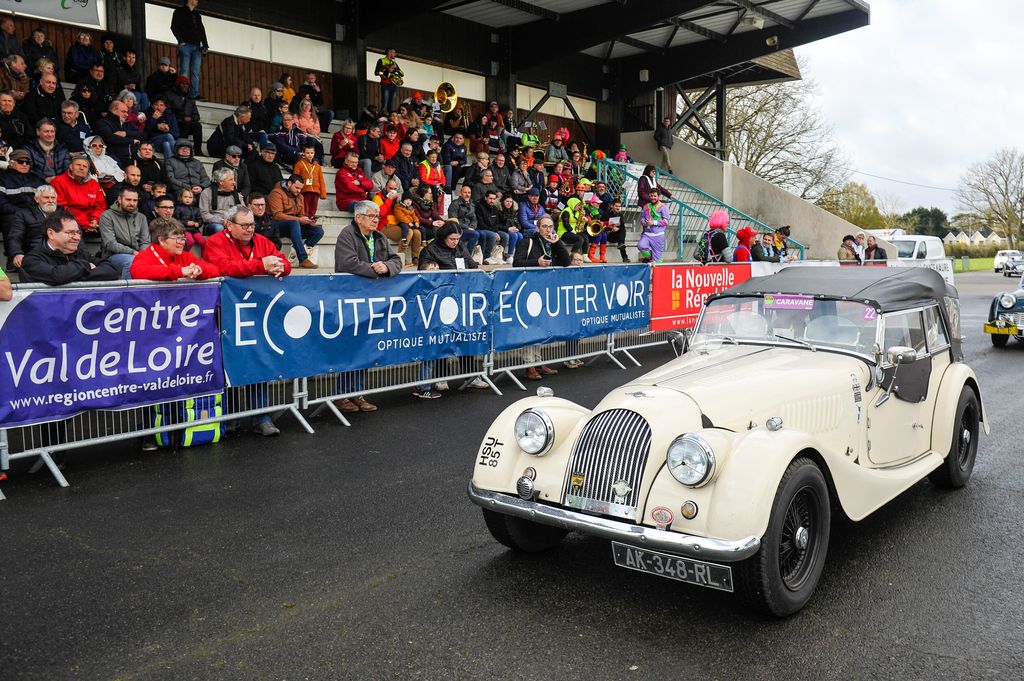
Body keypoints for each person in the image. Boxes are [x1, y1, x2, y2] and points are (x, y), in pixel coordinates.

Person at [204, 204, 289, 436]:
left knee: (257, 361)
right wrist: (261, 265)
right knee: (229, 364)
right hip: (226, 312)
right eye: (244, 225)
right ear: (229, 225)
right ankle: (230, 418)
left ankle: (261, 417)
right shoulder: (215, 242)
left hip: (256, 312)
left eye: (252, 225)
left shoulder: (262, 241)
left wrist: (279, 266)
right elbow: (222, 267)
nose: (250, 229)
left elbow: (285, 263)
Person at [332, 200, 404, 412]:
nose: (376, 220)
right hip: (350, 299)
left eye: (377, 217)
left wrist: (387, 267)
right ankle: (341, 395)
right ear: (358, 218)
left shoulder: (379, 236)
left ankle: (358, 393)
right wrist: (375, 270)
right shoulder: (347, 234)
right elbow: (347, 263)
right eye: (372, 216)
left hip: (371, 300)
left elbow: (396, 260)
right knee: (350, 348)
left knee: (364, 347)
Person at [513, 215, 569, 380]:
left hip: (546, 290)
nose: (548, 230)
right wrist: (536, 262)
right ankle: (528, 365)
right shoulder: (527, 242)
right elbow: (516, 263)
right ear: (537, 228)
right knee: (530, 328)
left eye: (550, 226)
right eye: (544, 226)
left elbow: (566, 261)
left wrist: (557, 243)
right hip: (529, 290)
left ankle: (538, 362)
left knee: (541, 327)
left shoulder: (553, 243)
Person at [20, 210, 119, 285]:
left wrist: (71, 275)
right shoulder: (32, 259)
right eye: (70, 233)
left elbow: (111, 271)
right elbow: (57, 276)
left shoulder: (81, 254)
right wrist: (86, 266)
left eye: (78, 233)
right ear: (51, 234)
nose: (77, 238)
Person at [130, 216, 219, 280]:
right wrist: (179, 271)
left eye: (184, 238)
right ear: (162, 240)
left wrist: (200, 270)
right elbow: (137, 272)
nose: (183, 242)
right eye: (178, 239)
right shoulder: (145, 256)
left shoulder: (186, 256)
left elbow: (215, 270)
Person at [269, 174, 322, 268]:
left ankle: (297, 250)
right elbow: (277, 215)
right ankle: (303, 259)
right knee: (294, 223)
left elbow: (301, 215)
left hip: (294, 227)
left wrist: (308, 221)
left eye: (301, 188)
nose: (299, 191)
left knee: (318, 231)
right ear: (289, 183)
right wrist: (299, 219)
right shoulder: (276, 193)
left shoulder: (300, 196)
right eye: (297, 188)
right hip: (277, 226)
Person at [99, 186, 149, 278]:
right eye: (128, 200)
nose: (132, 203)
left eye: (135, 200)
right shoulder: (107, 216)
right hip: (113, 255)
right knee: (131, 261)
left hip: (138, 254)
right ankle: (129, 288)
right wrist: (133, 252)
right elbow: (110, 244)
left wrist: (142, 254)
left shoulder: (141, 217)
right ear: (119, 199)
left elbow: (145, 241)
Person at [7, 185, 58, 270]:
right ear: (36, 199)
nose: (50, 201)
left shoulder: (63, 213)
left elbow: (75, 234)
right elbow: (15, 236)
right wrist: (17, 253)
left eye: (53, 198)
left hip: (60, 254)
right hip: (34, 254)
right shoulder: (23, 214)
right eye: (46, 197)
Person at [49, 156, 105, 233]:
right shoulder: (58, 181)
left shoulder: (94, 184)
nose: (81, 168)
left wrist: (95, 219)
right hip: (67, 222)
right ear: (71, 167)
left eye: (85, 166)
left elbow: (100, 206)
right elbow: (61, 207)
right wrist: (84, 224)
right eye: (78, 165)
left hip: (92, 223)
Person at [449, 183, 497, 264]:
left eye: (469, 192)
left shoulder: (472, 204)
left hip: (471, 228)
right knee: (475, 234)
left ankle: (481, 257)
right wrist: (467, 228)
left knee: (486, 234)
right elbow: (453, 219)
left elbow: (474, 219)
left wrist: (472, 227)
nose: (467, 194)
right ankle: (467, 257)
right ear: (460, 193)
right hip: (458, 229)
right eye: (465, 192)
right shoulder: (454, 204)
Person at [171, 0, 208, 99]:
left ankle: (195, 93)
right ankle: (183, 92)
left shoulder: (197, 15)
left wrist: (205, 44)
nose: (197, 1)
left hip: (197, 46)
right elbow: (174, 27)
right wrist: (181, 40)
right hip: (186, 45)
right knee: (185, 70)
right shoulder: (179, 11)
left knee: (195, 71)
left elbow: (202, 30)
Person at [93, 99, 143, 168]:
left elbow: (142, 135)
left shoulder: (127, 123)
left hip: (131, 157)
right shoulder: (102, 122)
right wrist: (131, 141)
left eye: (127, 112)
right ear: (114, 111)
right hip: (112, 158)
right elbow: (109, 137)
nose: (126, 114)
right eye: (123, 112)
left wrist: (126, 133)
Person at [476, 189, 517, 264]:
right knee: (493, 236)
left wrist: (495, 231)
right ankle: (487, 257)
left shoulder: (494, 208)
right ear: (486, 198)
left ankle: (499, 255)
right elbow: (481, 223)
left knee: (505, 236)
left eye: (494, 199)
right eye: (490, 198)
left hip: (493, 230)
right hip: (482, 229)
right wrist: (494, 232)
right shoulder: (479, 207)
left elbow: (496, 223)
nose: (492, 201)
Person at [198, 167, 242, 234]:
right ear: (221, 182)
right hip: (213, 224)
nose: (234, 182)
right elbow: (204, 214)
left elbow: (243, 212)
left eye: (234, 179)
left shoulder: (237, 195)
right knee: (219, 228)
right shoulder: (207, 193)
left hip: (233, 223)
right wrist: (222, 221)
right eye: (231, 180)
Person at [25, 118, 70, 182]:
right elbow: (28, 170)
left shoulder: (62, 149)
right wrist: (44, 178)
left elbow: (68, 169)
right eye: (46, 131)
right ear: (38, 132)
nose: (50, 135)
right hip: (37, 183)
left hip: (60, 182)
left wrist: (58, 179)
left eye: (52, 131)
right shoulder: (29, 148)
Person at [165, 75, 202, 152]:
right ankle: (182, 148)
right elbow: (168, 111)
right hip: (176, 122)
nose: (185, 86)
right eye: (183, 84)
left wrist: (191, 118)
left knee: (197, 125)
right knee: (186, 124)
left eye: (187, 84)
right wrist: (181, 118)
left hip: (188, 122)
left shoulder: (190, 97)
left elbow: (196, 115)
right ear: (178, 85)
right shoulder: (170, 95)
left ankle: (198, 150)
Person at [293, 143, 326, 219]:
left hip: (316, 191)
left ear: (314, 153)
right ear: (303, 153)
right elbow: (295, 178)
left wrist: (323, 193)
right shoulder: (299, 164)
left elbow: (321, 180)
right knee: (305, 207)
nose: (310, 155)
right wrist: (296, 189)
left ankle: (311, 218)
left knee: (313, 207)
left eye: (312, 153)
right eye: (307, 153)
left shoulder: (317, 166)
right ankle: (306, 218)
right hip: (305, 190)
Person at [638, 191, 669, 263]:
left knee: (657, 262)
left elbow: (666, 221)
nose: (653, 197)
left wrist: (654, 222)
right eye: (651, 196)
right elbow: (642, 218)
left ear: (659, 196)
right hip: (647, 234)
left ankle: (656, 258)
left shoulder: (663, 207)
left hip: (658, 235)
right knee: (641, 245)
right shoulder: (646, 206)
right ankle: (651, 257)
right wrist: (644, 222)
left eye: (655, 196)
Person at [374, 48, 403, 113]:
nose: (395, 54)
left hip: (393, 85)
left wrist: (396, 69)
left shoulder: (394, 63)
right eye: (394, 52)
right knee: (385, 103)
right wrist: (387, 69)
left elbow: (402, 74)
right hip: (385, 84)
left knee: (391, 105)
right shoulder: (381, 60)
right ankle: (382, 116)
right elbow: (376, 72)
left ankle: (390, 116)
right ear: (389, 53)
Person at [602, 197, 627, 262]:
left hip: (616, 235)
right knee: (621, 238)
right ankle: (624, 256)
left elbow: (622, 226)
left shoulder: (620, 214)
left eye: (619, 206)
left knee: (623, 230)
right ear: (612, 206)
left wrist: (617, 229)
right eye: (616, 206)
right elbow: (601, 226)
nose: (618, 208)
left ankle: (621, 245)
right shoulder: (606, 214)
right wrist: (610, 228)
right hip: (608, 235)